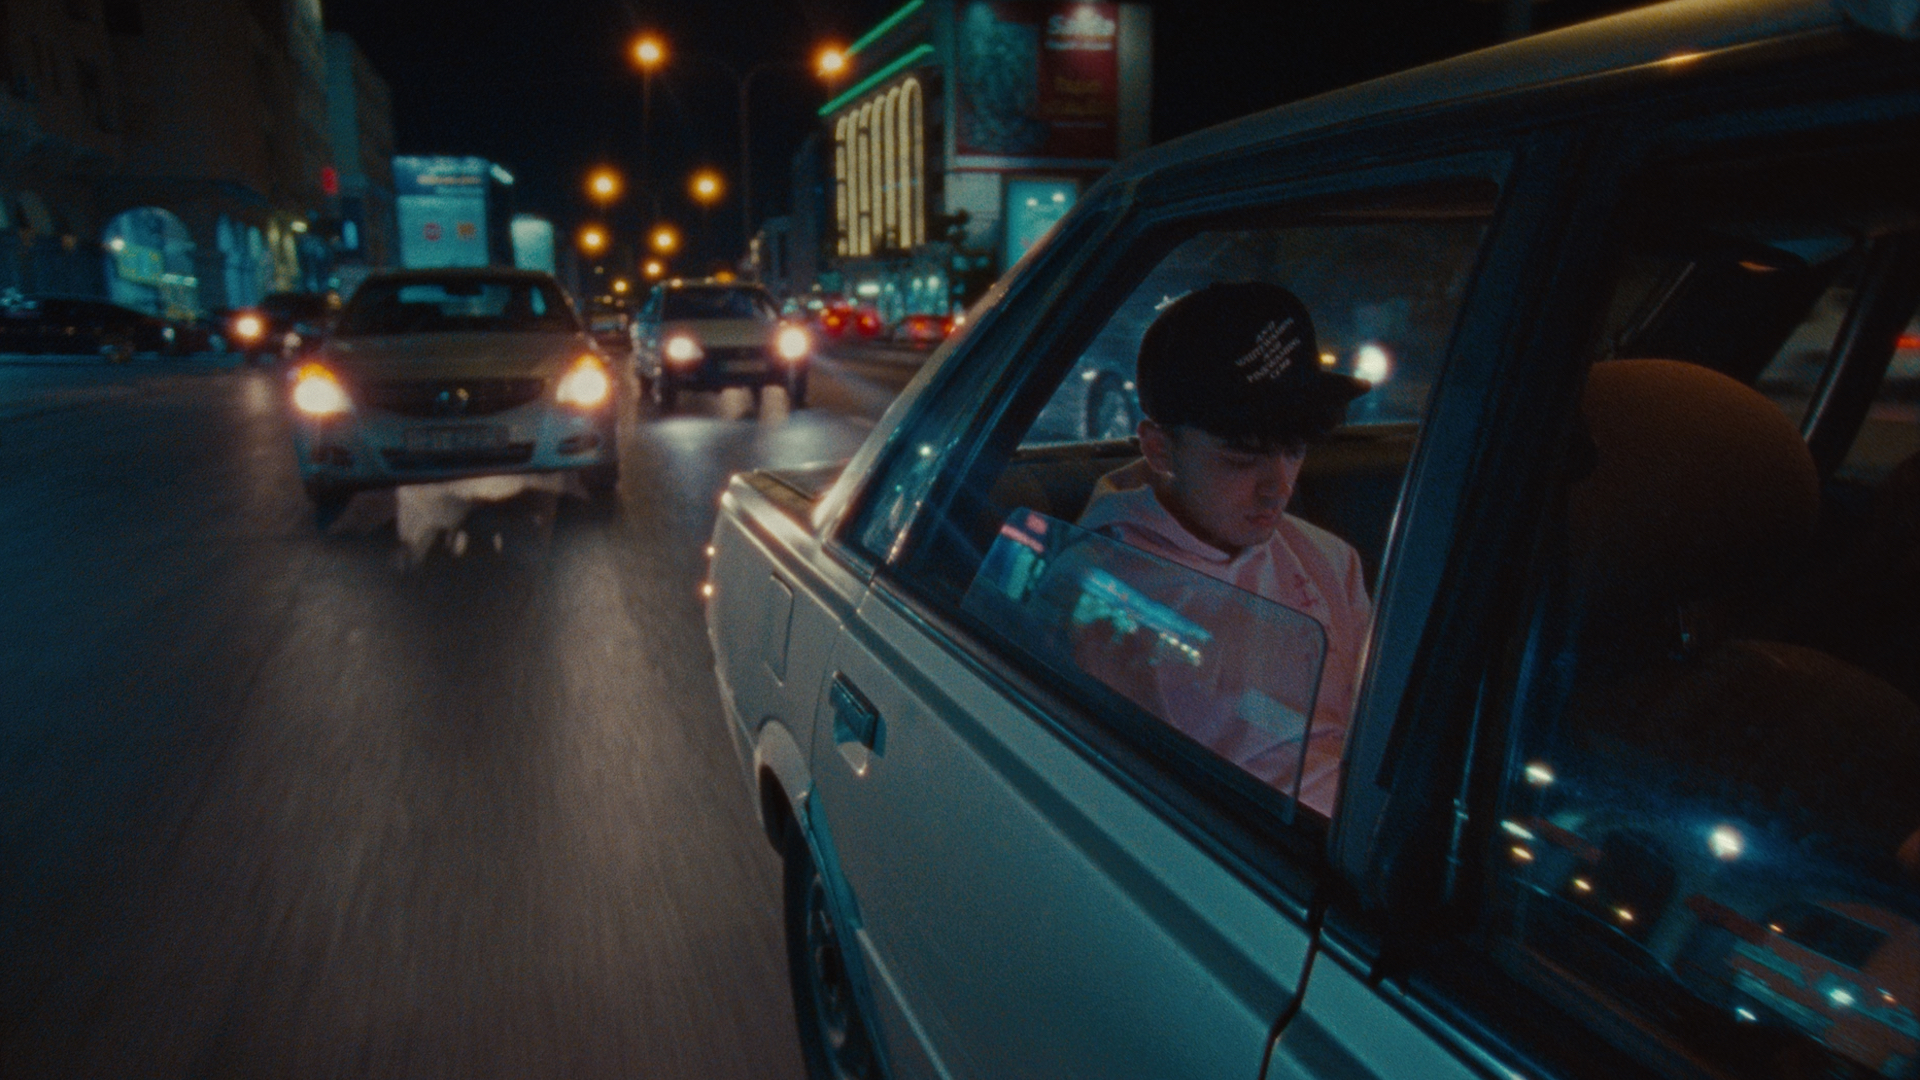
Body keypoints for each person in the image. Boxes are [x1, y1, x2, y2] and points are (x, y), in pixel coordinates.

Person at [1074, 281, 1372, 816]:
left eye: (1294, 450)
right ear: (1160, 447)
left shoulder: (1329, 559)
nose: (1278, 486)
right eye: (1240, 458)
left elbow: (1361, 724)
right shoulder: (1107, 591)